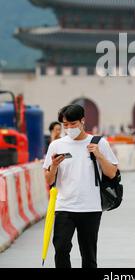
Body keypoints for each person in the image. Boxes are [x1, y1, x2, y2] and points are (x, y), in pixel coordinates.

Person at [43, 104, 118, 268]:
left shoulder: (99, 143)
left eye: (73, 124)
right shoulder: (56, 145)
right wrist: (54, 166)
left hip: (90, 207)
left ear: (82, 121)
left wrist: (99, 155)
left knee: (88, 255)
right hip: (64, 207)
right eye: (65, 125)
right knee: (61, 249)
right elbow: (48, 180)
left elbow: (112, 173)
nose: (69, 128)